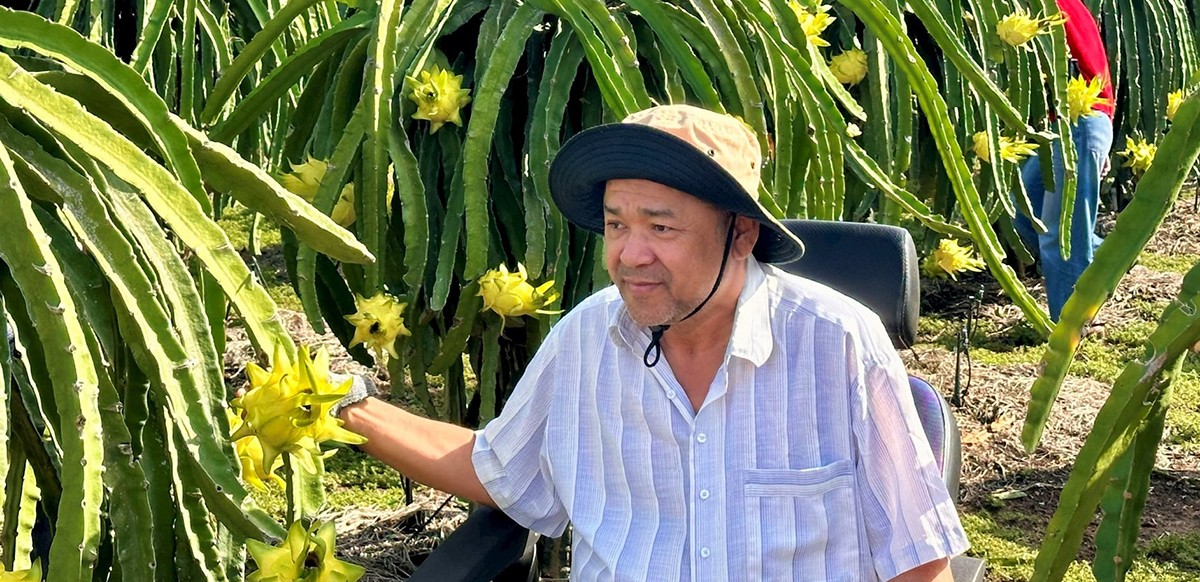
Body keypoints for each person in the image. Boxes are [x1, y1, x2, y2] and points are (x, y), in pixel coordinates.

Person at [337, 104, 968, 582]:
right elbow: (497, 466)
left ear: (741, 235)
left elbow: (919, 556)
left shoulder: (837, 343)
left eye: (661, 227)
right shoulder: (588, 337)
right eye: (616, 225)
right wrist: (341, 407)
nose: (629, 256)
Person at [1008, 0, 1115, 322]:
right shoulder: (1071, 4)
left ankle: (1068, 326)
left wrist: (1093, 133)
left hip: (1077, 125)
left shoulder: (1054, 5)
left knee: (1061, 234)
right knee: (1025, 209)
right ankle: (1113, 258)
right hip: (1071, 126)